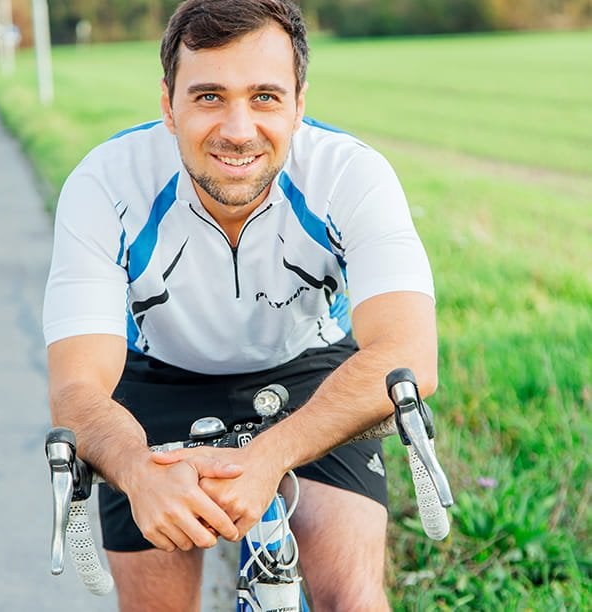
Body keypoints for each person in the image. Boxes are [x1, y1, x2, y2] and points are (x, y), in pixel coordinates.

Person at [43, 0, 437, 610]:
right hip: (158, 381)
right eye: (208, 97)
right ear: (168, 105)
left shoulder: (351, 175)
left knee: (352, 598)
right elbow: (78, 391)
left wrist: (268, 458)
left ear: (299, 104)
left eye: (264, 97)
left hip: (310, 371)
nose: (237, 128)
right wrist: (139, 473)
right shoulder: (103, 185)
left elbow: (407, 355)